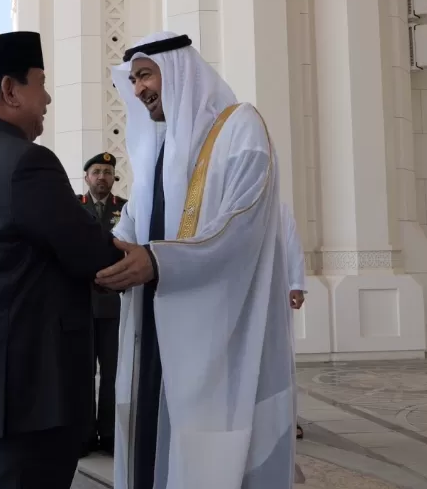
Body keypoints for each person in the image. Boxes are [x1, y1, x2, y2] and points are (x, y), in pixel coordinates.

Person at [95, 32, 296, 488]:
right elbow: (129, 224)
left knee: (210, 451)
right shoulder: (157, 150)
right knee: (151, 439)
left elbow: (241, 225)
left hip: (214, 327)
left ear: (180, 71)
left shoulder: (239, 127)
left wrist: (159, 263)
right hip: (154, 319)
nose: (139, 89)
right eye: (133, 79)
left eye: (146, 75)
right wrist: (98, 260)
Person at [0, 31, 128, 489]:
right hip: (24, 387)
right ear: (9, 90)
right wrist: (155, 256)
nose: (48, 97)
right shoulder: (27, 161)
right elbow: (91, 252)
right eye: (40, 82)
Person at [78, 152, 128, 457]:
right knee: (82, 372)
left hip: (113, 303)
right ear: (87, 177)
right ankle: (83, 435)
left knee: (112, 372)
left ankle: (109, 434)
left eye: (107, 172)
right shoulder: (73, 207)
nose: (102, 177)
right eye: (96, 171)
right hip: (80, 302)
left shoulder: (125, 209)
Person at [280, 202, 306, 440]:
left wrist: (296, 285)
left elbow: (292, 245)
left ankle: (288, 418)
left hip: (274, 296)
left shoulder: (279, 207)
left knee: (281, 359)